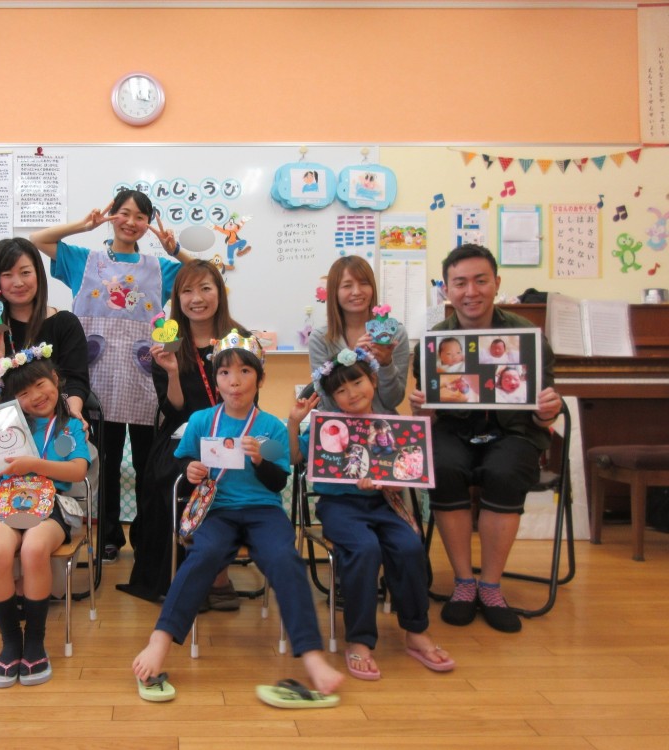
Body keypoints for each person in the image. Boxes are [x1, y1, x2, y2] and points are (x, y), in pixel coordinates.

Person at [132, 331, 344, 702]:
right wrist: (190, 468)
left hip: (264, 512)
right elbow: (181, 460)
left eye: (245, 372)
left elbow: (278, 481)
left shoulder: (272, 427)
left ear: (260, 379)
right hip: (217, 510)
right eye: (226, 373)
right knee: (203, 554)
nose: (235, 381)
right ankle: (159, 641)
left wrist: (260, 460)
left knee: (285, 558)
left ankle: (312, 656)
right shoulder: (201, 421)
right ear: (216, 381)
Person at [409, 243, 561, 634]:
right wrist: (421, 408)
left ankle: (490, 586)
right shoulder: (433, 342)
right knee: (442, 466)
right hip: (454, 431)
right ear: (446, 289)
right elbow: (427, 416)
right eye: (460, 283)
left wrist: (548, 409)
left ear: (497, 283)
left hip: (513, 432)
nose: (471, 291)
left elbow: (543, 411)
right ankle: (464, 582)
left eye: (480, 281)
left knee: (505, 471)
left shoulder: (527, 336)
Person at [30, 190, 188, 563]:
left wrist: (176, 249)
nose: (131, 222)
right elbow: (37, 239)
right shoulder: (84, 261)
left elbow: (207, 274)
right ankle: (109, 536)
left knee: (150, 464)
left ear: (148, 224)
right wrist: (85, 225)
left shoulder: (160, 268)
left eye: (141, 216)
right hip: (95, 381)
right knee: (105, 464)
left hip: (144, 380)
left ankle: (148, 538)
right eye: (124, 213)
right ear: (112, 215)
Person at [289, 348, 454, 681]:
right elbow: (295, 459)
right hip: (339, 507)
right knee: (364, 549)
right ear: (332, 397)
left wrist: (386, 479)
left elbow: (407, 470)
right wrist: (294, 422)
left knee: (409, 546)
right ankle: (360, 639)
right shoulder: (326, 426)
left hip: (384, 505)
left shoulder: (391, 425)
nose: (351, 393)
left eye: (357, 382)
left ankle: (416, 630)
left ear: (373, 380)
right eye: (341, 390)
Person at [0, 237, 90, 618]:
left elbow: (77, 381)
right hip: (10, 433)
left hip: (59, 424)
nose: (18, 282)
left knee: (77, 463)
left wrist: (73, 414)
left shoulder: (63, 323)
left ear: (39, 274)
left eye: (25, 272)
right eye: (8, 275)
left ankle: (40, 581)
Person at [117, 260, 246, 607]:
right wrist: (172, 372)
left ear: (219, 292)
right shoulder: (169, 342)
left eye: (205, 288)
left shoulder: (239, 339)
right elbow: (173, 410)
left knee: (233, 475)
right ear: (177, 298)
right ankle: (192, 575)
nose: (196, 298)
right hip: (181, 439)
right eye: (187, 291)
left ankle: (216, 574)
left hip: (230, 434)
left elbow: (250, 400)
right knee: (183, 476)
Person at [0, 346, 90, 688]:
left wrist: (34, 465)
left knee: (35, 548)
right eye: (23, 393)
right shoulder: (5, 427)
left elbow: (78, 471)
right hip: (7, 502)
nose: (35, 396)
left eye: (40, 385)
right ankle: (10, 644)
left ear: (55, 379)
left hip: (53, 505)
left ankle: (34, 641)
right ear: (13, 401)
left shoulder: (70, 426)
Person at [308, 256, 409, 414]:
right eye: (347, 286)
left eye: (364, 283)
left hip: (382, 425)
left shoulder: (394, 333)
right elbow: (327, 402)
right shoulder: (320, 339)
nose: (356, 292)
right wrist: (351, 360)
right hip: (338, 426)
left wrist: (386, 364)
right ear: (334, 292)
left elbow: (393, 400)